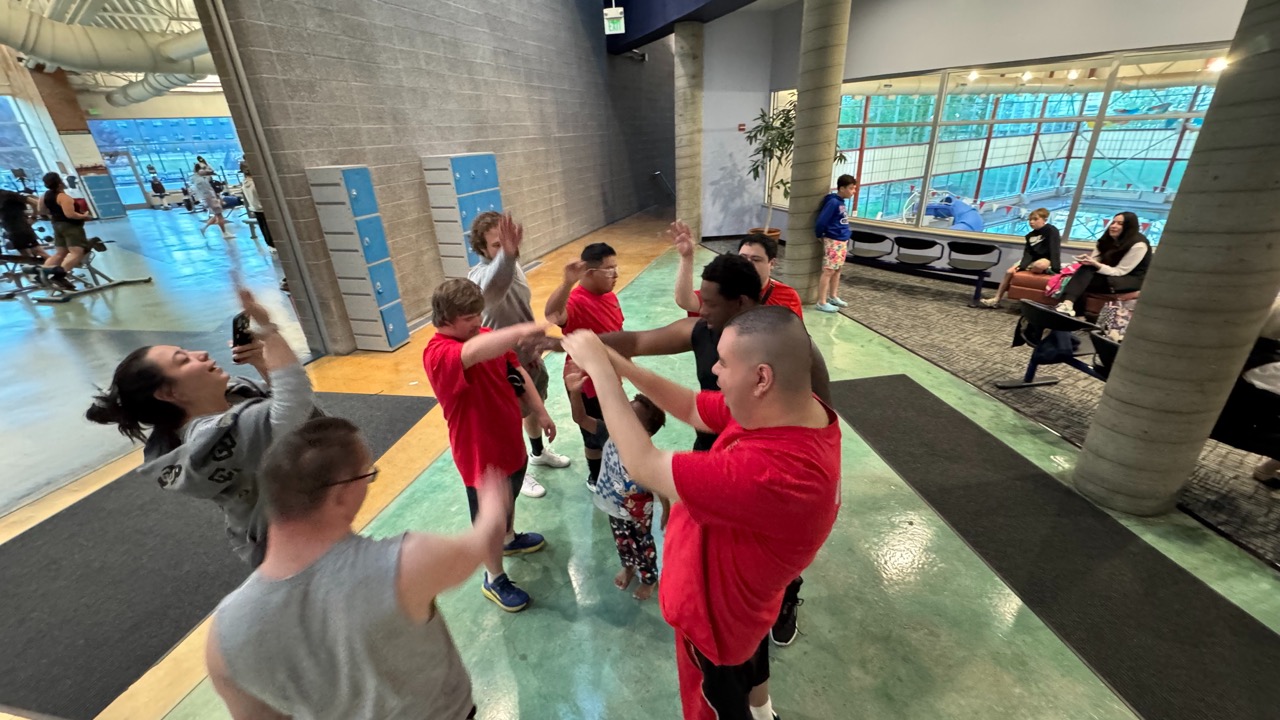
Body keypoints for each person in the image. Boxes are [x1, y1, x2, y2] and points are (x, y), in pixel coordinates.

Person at [560, 306, 842, 720]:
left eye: (723, 363)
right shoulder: (789, 410)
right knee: (750, 668)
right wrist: (617, 363)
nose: (714, 369)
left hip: (715, 633)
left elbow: (643, 463)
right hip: (742, 614)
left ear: (761, 378)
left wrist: (602, 375)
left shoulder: (769, 472)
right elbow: (693, 407)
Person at [206, 417, 503, 719]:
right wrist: (492, 498)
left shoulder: (223, 637)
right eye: (367, 475)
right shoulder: (406, 562)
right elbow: (477, 546)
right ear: (340, 496)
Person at [86, 290, 315, 565]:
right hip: (282, 544)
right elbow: (293, 404)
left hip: (309, 513)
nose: (201, 353)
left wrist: (260, 361)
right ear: (169, 393)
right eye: (183, 360)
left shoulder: (236, 394)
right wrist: (268, 330)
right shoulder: (208, 439)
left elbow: (306, 422)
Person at [423, 278, 550, 612]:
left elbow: (516, 371)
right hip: (479, 454)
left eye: (479, 314)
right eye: (469, 318)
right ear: (445, 319)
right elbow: (472, 353)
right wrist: (523, 329)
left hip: (510, 442)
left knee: (508, 499)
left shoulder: (484, 335)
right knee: (489, 520)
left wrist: (540, 411)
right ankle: (494, 577)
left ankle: (508, 539)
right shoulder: (438, 353)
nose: (478, 322)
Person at [468, 211, 572, 498]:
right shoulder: (479, 278)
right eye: (496, 245)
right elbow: (493, 289)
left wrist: (534, 346)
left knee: (534, 408)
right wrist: (508, 254)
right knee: (509, 421)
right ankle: (518, 471)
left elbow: (519, 307)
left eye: (506, 242)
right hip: (502, 365)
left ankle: (537, 453)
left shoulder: (514, 266)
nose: (504, 249)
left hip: (527, 356)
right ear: (481, 249)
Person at [565, 362, 668, 600]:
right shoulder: (608, 433)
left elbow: (660, 484)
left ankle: (649, 578)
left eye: (630, 417)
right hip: (614, 506)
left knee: (643, 545)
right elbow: (580, 418)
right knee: (622, 540)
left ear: (646, 432)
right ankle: (628, 566)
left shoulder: (647, 454)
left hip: (639, 511)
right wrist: (575, 393)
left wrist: (666, 510)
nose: (621, 417)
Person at [545, 242, 624, 487]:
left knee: (614, 427)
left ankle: (612, 469)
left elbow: (619, 333)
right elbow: (553, 314)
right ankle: (596, 477)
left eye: (616, 268)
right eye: (609, 270)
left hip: (611, 377)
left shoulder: (610, 296)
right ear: (589, 273)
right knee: (593, 435)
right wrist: (567, 283)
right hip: (585, 383)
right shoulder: (575, 301)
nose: (616, 275)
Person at [673, 223, 803, 319]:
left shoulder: (788, 296)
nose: (748, 263)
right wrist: (687, 257)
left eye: (756, 259)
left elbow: (795, 336)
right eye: (743, 257)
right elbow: (686, 301)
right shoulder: (724, 287)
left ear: (772, 263)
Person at [1055, 211, 1150, 317]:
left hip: (1128, 279)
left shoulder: (1139, 245)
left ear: (1129, 227)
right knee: (1085, 270)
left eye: (1120, 224)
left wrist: (1095, 264)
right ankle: (1070, 307)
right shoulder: (1106, 239)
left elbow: (1120, 271)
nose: (1113, 226)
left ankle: (1071, 307)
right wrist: (1088, 260)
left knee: (1082, 281)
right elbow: (1096, 260)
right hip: (1107, 274)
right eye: (1113, 222)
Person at [980, 208, 1062, 308]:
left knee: (1040, 265)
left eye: (1035, 219)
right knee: (1009, 271)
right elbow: (1028, 253)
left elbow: (1055, 249)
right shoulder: (1030, 236)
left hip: (1045, 259)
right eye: (1030, 220)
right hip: (1033, 260)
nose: (1031, 222)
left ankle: (1044, 269)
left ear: (1044, 219)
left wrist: (1056, 268)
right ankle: (996, 299)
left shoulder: (1051, 230)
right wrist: (1022, 266)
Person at [814, 174, 857, 313]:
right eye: (851, 188)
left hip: (841, 239)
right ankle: (821, 302)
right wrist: (819, 234)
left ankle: (833, 296)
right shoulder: (833, 202)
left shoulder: (840, 202)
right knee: (829, 270)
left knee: (837, 269)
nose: (853, 191)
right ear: (842, 188)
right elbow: (822, 220)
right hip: (834, 239)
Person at [40, 172, 94, 275]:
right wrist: (84, 216)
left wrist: (54, 214)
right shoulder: (64, 197)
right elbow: (70, 215)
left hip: (56, 225)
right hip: (70, 227)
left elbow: (41, 210)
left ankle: (43, 275)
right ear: (60, 183)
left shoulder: (44, 196)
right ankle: (60, 275)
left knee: (60, 253)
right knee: (77, 253)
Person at [0, 189, 46, 259]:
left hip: (21, 228)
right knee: (26, 256)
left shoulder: (6, 194)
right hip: (11, 231)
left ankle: (56, 265)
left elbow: (34, 202)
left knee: (38, 252)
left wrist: (34, 217)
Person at [192, 163, 231, 239]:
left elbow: (211, 172)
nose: (205, 170)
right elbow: (207, 192)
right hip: (210, 199)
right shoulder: (200, 181)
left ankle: (204, 228)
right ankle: (225, 233)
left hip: (210, 198)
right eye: (203, 168)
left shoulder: (200, 178)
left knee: (217, 215)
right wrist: (215, 201)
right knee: (219, 216)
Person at [239, 167, 274, 251]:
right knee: (268, 227)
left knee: (263, 227)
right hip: (262, 207)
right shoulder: (255, 184)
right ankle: (272, 244)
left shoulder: (244, 183)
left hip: (255, 208)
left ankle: (270, 245)